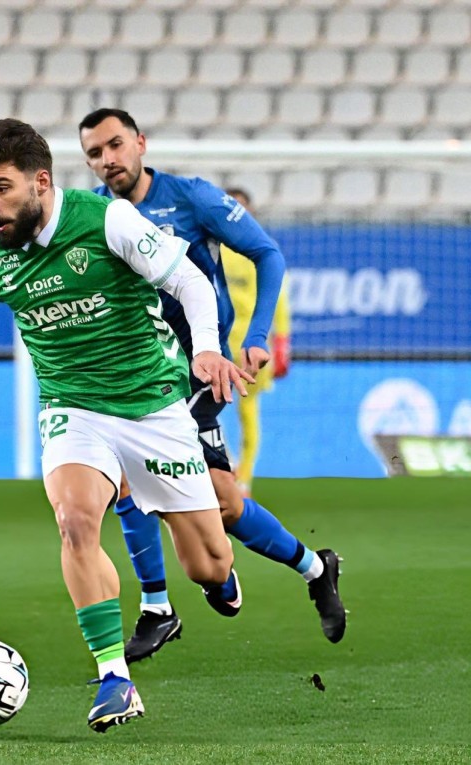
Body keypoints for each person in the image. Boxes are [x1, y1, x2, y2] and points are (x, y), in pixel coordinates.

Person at [0, 119, 252, 732]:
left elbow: (189, 279)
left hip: (152, 406)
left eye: (1, 188)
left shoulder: (107, 221)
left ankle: (218, 573)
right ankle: (115, 679)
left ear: (40, 182)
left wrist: (208, 349)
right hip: (72, 408)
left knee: (206, 565)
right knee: (75, 519)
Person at [77, 109, 343, 663]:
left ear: (140, 143)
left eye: (116, 145)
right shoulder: (97, 214)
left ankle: (161, 606)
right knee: (211, 499)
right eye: (95, 153)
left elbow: (267, 253)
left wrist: (258, 335)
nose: (107, 160)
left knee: (155, 481)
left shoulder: (191, 198)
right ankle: (312, 569)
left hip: (200, 371)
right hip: (140, 372)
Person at [221, 188, 291, 495]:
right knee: (200, 409)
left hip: (252, 346)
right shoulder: (210, 246)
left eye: (241, 208)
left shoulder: (261, 250)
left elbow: (279, 300)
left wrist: (282, 343)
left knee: (248, 413)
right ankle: (227, 463)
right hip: (216, 344)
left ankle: (244, 479)